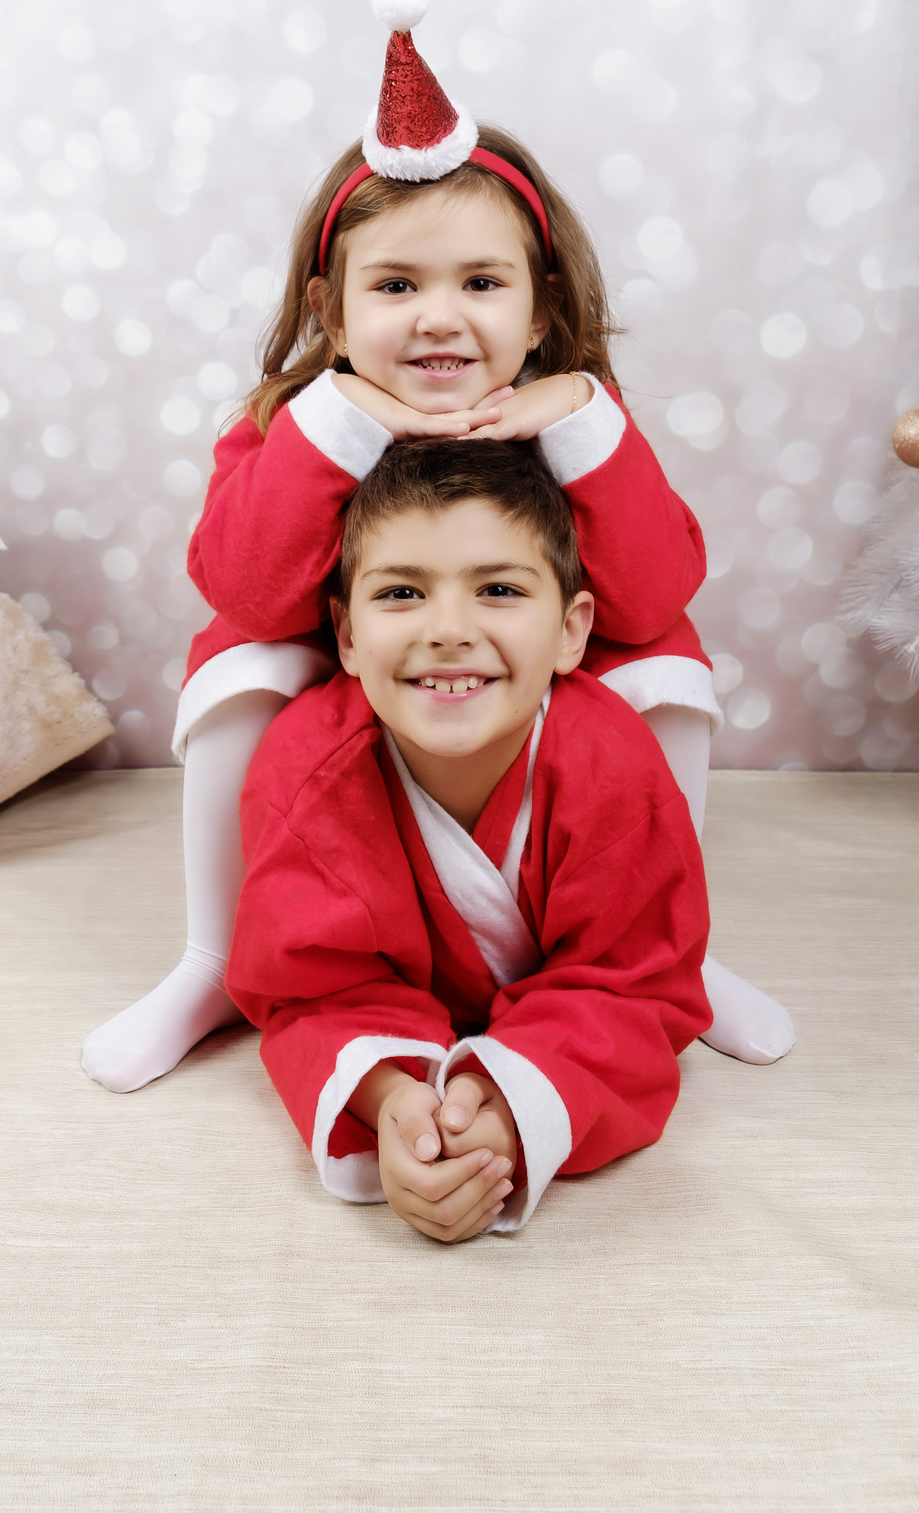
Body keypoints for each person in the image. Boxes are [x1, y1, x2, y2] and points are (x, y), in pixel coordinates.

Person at [81, 0, 794, 1095]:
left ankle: (672, 951)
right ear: (332, 308)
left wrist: (583, 424)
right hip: (357, 684)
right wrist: (337, 422)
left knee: (668, 661)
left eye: (481, 282)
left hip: (520, 697)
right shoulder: (284, 424)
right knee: (239, 662)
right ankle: (215, 958)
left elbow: (653, 593)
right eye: (397, 283)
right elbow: (251, 589)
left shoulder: (574, 416)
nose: (439, 317)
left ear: (541, 307)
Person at [226, 439, 712, 1239]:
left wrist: (513, 1108)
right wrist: (399, 1105)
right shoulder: (303, 770)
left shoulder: (613, 765)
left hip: (566, 1011)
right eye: (402, 593)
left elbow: (633, 983)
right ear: (346, 635)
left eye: (498, 589)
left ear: (570, 629)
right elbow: (308, 988)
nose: (449, 630)